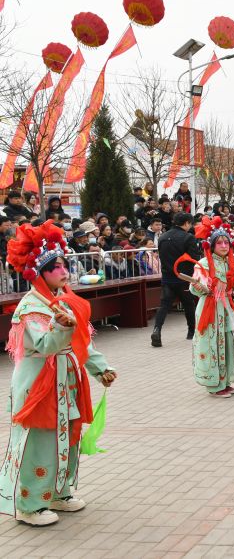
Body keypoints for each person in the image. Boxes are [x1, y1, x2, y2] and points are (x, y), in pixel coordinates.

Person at [0, 221, 117, 526]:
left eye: (65, 265)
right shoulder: (29, 307)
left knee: (67, 436)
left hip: (67, 380)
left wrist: (100, 368)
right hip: (40, 382)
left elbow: (81, 341)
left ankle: (58, 492)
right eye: (56, 267)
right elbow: (45, 344)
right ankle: (29, 504)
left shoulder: (65, 300)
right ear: (40, 273)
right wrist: (60, 325)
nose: (64, 271)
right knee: (39, 440)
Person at [188, 216, 234, 397]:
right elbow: (196, 286)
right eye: (219, 243)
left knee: (227, 343)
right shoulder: (203, 264)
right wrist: (199, 287)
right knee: (211, 344)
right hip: (209, 308)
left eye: (226, 242)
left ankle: (225, 381)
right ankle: (214, 384)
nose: (224, 246)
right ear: (211, 245)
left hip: (226, 306)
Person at [151, 213, 200, 347]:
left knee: (164, 305)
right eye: (190, 223)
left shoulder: (163, 237)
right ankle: (191, 331)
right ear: (186, 223)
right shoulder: (188, 237)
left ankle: (157, 330)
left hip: (167, 277)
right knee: (188, 304)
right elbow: (194, 257)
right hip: (183, 277)